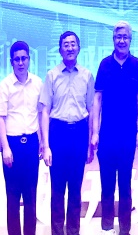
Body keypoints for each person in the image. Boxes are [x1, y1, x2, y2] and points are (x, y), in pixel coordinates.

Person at [40, 31, 96, 235]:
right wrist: (46, 145)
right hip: (58, 132)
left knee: (75, 188)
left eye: (73, 44)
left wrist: (91, 139)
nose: (70, 48)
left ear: (78, 48)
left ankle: (73, 231)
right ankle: (57, 231)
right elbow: (45, 111)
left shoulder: (87, 75)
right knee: (57, 189)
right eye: (66, 44)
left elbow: (92, 109)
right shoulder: (52, 75)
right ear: (60, 49)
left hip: (79, 132)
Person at [92, 21, 138, 235]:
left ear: (130, 40)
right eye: (118, 37)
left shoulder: (136, 65)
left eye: (125, 37)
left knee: (125, 183)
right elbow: (97, 99)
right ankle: (106, 227)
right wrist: (95, 132)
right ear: (113, 39)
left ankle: (125, 229)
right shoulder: (105, 65)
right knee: (106, 183)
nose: (121, 41)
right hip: (106, 134)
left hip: (128, 134)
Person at [0, 41, 43, 235]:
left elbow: (41, 114)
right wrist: (5, 147)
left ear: (29, 60)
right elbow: (0, 117)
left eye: (24, 58)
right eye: (17, 59)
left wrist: (43, 142)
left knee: (31, 197)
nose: (21, 63)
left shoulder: (38, 83)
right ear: (11, 62)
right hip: (12, 145)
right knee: (13, 197)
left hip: (31, 144)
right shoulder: (5, 85)